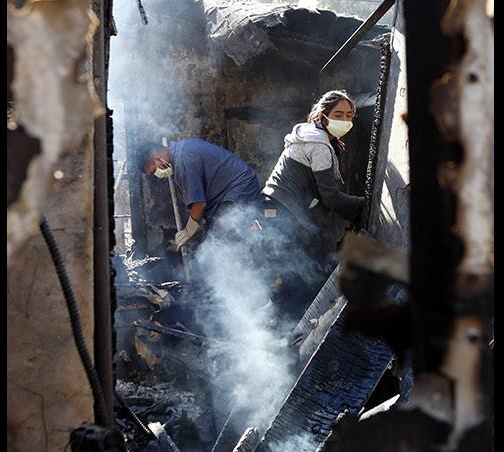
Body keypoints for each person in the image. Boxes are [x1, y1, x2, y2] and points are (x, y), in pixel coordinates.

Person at [259, 90, 366, 314]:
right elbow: (331, 197)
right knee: (296, 275)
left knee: (290, 273)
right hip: (282, 211)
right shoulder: (319, 144)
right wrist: (365, 205)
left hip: (274, 208)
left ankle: (275, 323)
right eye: (338, 114)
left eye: (349, 115)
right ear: (322, 115)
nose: (344, 120)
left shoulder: (309, 136)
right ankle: (283, 332)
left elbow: (320, 199)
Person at [139, 138, 262, 252]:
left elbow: (199, 204)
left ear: (157, 158)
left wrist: (188, 231)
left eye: (154, 170)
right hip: (228, 192)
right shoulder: (181, 152)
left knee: (222, 245)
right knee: (217, 239)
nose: (157, 174)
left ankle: (254, 269)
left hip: (238, 189)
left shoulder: (183, 160)